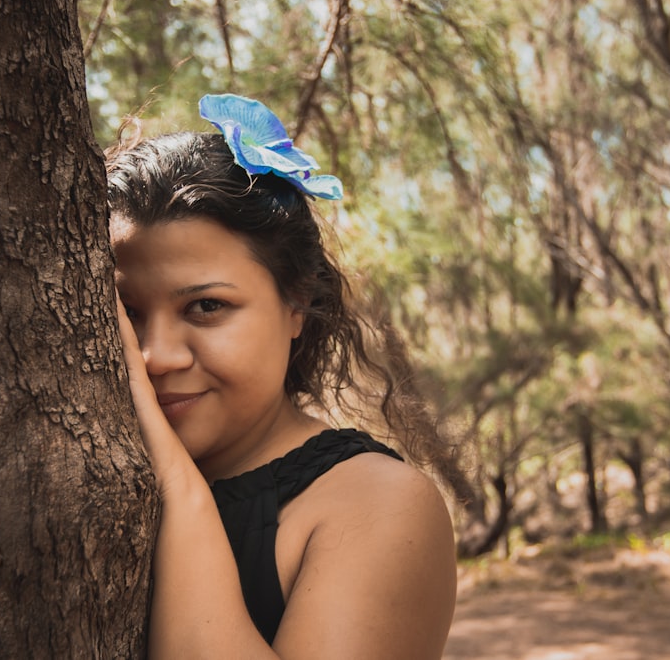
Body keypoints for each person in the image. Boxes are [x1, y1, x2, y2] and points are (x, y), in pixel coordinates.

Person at [107, 94, 458, 659]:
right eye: (126, 315)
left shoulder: (379, 504)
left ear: (296, 301)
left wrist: (179, 489)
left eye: (205, 307)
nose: (154, 357)